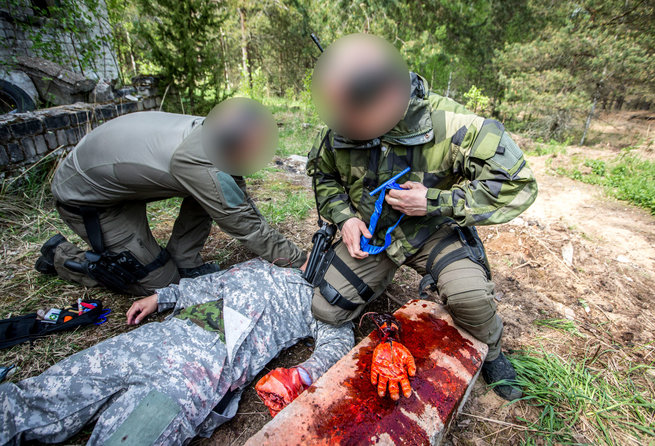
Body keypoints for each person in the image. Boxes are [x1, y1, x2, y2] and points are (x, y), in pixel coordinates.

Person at [306, 34, 538, 400]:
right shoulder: (340, 123)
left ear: (389, 95)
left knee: (470, 299)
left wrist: (436, 201)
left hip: (432, 231)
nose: (349, 122)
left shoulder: (449, 123)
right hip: (373, 235)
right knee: (327, 307)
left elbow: (517, 183)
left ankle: (492, 351)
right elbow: (324, 175)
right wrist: (346, 217)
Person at [0, 258, 354, 445]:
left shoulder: (322, 302)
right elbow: (210, 283)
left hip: (196, 373)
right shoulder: (262, 265)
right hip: (155, 338)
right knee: (38, 395)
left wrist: (303, 374)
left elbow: (338, 344)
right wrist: (162, 297)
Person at [35, 98, 307, 296]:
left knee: (209, 194)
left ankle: (185, 261)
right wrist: (298, 259)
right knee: (161, 282)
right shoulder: (201, 160)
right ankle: (62, 257)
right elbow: (240, 221)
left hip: (117, 183)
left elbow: (236, 199)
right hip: (87, 198)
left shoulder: (214, 134)